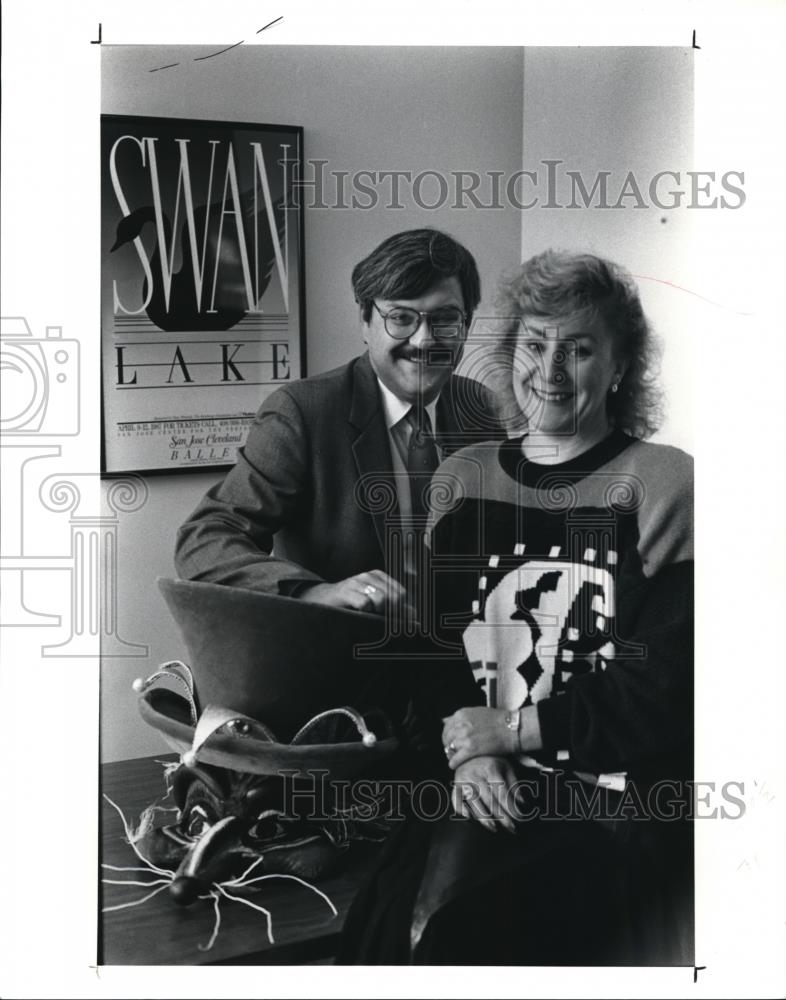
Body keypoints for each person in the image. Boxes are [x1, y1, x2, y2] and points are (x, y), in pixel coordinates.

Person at [337, 249, 694, 965]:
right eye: (536, 344)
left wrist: (513, 729)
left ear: (620, 368)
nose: (551, 370)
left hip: (606, 804)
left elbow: (663, 688)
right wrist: (470, 757)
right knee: (380, 936)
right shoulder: (463, 478)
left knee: (460, 937)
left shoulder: (664, 482)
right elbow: (434, 655)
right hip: (480, 781)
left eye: (581, 349)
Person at [175, 228, 503, 623]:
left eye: (446, 318)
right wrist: (315, 592)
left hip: (460, 666)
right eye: (400, 317)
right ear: (365, 321)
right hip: (342, 667)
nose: (423, 340)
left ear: (465, 325)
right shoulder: (302, 412)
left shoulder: (484, 410)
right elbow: (206, 536)